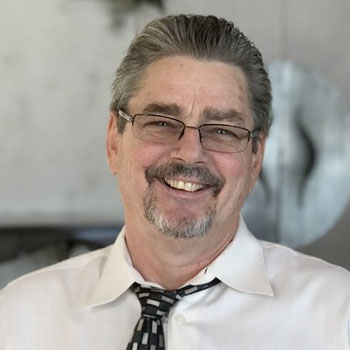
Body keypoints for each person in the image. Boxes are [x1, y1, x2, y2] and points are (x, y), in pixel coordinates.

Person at [0, 14, 349, 350]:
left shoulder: (337, 316)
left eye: (222, 130)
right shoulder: (18, 317)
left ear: (256, 157)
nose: (189, 153)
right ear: (114, 141)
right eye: (161, 122)